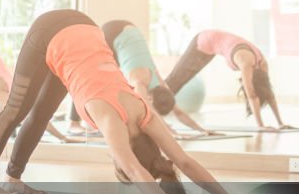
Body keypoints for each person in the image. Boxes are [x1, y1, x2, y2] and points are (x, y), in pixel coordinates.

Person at [0, 10, 264, 194]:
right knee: (17, 108)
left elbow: (183, 161)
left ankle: (12, 179)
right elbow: (135, 169)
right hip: (48, 31)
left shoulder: (144, 111)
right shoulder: (112, 120)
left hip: (86, 29)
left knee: (40, 115)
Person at [67, 20, 216, 137]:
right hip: (113, 32)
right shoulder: (139, 82)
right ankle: (73, 123)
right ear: (150, 98)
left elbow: (179, 113)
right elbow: (149, 112)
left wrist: (201, 130)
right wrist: (166, 131)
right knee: (90, 74)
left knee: (108, 71)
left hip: (129, 29)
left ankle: (83, 118)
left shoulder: (162, 87)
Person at [163, 29, 293, 131]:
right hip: (204, 39)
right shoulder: (246, 62)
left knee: (183, 79)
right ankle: (155, 105)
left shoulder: (262, 64)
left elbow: (268, 93)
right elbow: (252, 96)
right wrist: (261, 126)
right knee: (178, 78)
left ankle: (157, 107)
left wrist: (281, 123)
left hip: (212, 44)